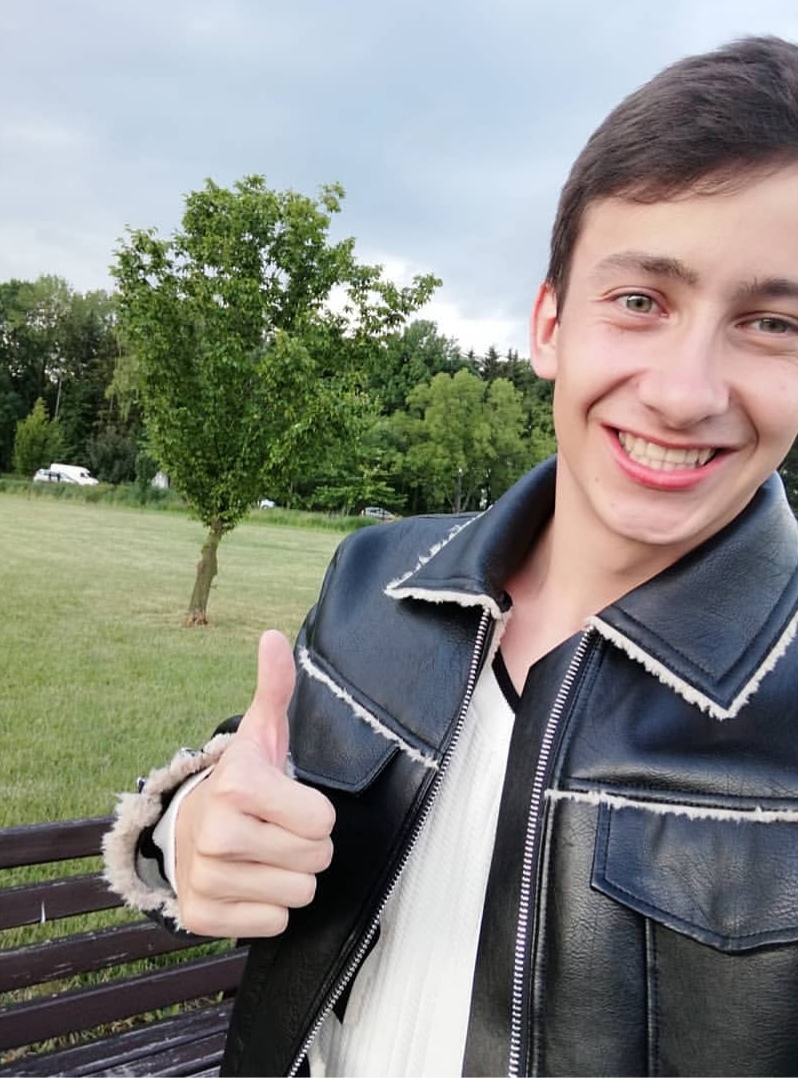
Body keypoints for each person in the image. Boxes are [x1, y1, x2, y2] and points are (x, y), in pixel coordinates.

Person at [104, 34, 798, 1077]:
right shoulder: (377, 582)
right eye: (640, 301)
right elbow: (260, 776)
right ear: (549, 324)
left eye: (773, 321)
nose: (685, 391)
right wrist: (193, 822)